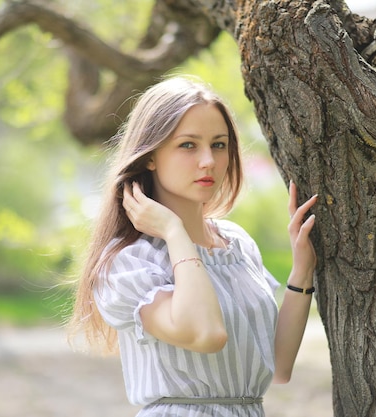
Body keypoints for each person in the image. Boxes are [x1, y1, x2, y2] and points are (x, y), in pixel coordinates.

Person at [69, 75, 318, 417]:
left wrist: (302, 270)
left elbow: (278, 366)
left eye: (219, 144)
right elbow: (206, 334)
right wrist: (174, 231)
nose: (208, 161)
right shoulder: (131, 263)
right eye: (188, 145)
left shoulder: (237, 244)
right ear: (150, 156)